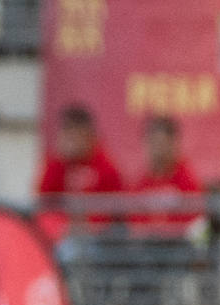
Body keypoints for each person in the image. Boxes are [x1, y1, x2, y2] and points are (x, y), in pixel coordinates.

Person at [35, 104, 124, 244]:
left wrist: (87, 227)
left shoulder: (105, 168)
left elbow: (112, 213)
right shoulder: (55, 165)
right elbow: (45, 204)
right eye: (68, 134)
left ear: (89, 135)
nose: (72, 142)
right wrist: (62, 228)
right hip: (61, 238)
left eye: (76, 135)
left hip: (98, 241)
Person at [128, 116, 204, 234]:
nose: (157, 150)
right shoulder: (140, 182)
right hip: (146, 246)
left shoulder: (187, 180)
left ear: (174, 143)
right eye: (152, 143)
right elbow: (134, 222)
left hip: (179, 245)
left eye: (162, 143)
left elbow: (194, 222)